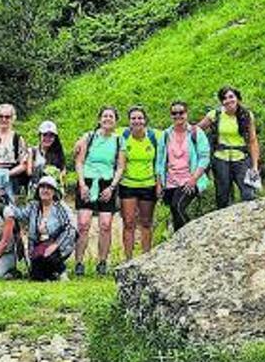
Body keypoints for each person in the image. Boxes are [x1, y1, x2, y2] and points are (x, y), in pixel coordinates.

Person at [73, 106, 126, 276]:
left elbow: (120, 166)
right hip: (87, 181)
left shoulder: (119, 141)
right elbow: (79, 161)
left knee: (105, 224)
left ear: (116, 121)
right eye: (105, 116)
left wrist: (112, 187)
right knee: (83, 224)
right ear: (99, 119)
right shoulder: (88, 137)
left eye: (111, 116)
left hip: (107, 183)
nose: (108, 119)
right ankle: (79, 262)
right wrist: (82, 184)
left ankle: (102, 262)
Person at [197, 86, 260, 208]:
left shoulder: (247, 115)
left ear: (237, 98)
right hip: (220, 160)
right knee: (223, 197)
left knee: (248, 195)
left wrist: (255, 166)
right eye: (224, 98)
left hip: (241, 159)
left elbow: (253, 141)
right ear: (221, 101)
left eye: (231, 97)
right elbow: (197, 130)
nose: (228, 101)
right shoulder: (215, 114)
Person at [156, 101, 211, 232]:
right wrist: (159, 183)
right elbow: (159, 161)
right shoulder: (165, 135)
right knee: (175, 214)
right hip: (170, 181)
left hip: (190, 179)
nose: (178, 116)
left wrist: (194, 179)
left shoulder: (196, 132)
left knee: (177, 206)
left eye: (181, 112)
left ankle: (191, 236)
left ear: (186, 114)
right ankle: (180, 244)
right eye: (174, 113)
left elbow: (204, 157)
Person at [118, 106, 160, 260]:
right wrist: (81, 141)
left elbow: (175, 134)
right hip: (128, 185)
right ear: (129, 121)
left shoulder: (155, 136)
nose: (137, 121)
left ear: (145, 120)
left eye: (140, 118)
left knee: (146, 222)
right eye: (133, 118)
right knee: (129, 223)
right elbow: (100, 131)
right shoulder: (123, 135)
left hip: (148, 184)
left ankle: (146, 258)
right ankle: (128, 259)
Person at [15, 176, 77, 281]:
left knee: (49, 255)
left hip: (58, 245)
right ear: (38, 191)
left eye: (49, 187)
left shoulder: (60, 207)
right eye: (42, 187)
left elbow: (70, 228)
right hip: (37, 247)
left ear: (54, 192)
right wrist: (5, 207)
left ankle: (61, 271)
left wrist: (55, 245)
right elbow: (19, 214)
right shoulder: (33, 206)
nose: (45, 190)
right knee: (36, 275)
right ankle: (51, 274)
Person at [26, 120, 67, 193]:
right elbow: (29, 172)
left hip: (53, 190)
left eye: (51, 136)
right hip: (36, 189)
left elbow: (63, 171)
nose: (47, 138)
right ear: (40, 136)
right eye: (45, 135)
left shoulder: (58, 153)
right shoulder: (32, 151)